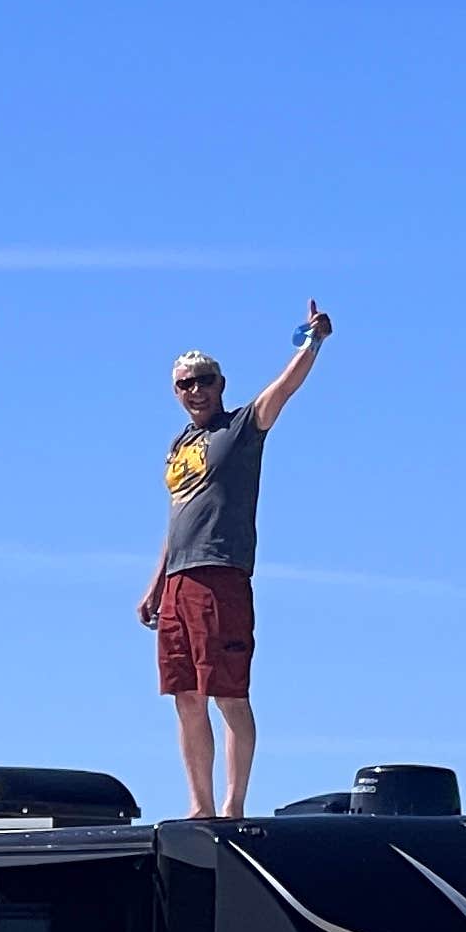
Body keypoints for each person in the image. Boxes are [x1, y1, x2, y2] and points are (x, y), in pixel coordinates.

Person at [138, 305, 331, 817]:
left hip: (221, 574)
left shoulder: (241, 427)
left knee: (227, 691)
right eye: (185, 384)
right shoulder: (180, 445)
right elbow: (177, 515)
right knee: (184, 695)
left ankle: (233, 805)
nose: (195, 390)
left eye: (204, 381)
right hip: (178, 580)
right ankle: (199, 804)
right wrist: (156, 583)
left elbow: (282, 390)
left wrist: (311, 344)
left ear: (221, 383)